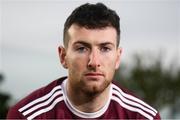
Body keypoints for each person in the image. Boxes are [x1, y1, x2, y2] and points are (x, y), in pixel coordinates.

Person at [7, 3, 161, 119]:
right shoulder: (26, 116)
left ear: (118, 57)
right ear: (63, 56)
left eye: (105, 48)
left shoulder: (143, 117)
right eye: (82, 48)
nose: (94, 62)